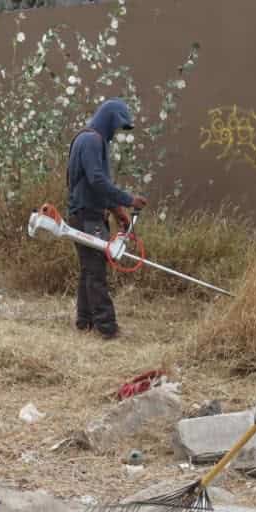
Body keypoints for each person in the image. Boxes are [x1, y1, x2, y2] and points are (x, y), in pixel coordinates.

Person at [66, 98, 148, 339]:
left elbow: (97, 186)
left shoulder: (93, 140)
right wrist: (128, 200)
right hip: (87, 216)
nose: (115, 131)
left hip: (86, 214)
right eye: (116, 125)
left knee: (88, 270)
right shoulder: (91, 141)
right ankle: (107, 328)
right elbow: (97, 181)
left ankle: (85, 322)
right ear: (109, 119)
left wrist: (118, 212)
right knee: (96, 271)